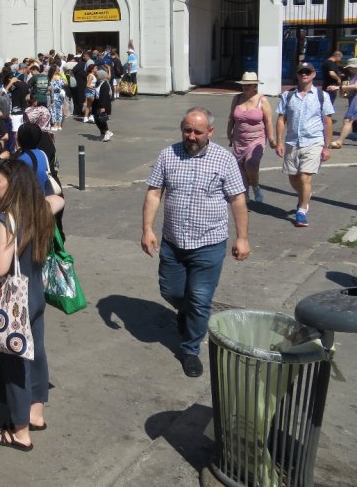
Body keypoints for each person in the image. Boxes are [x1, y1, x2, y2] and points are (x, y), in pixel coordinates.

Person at [141, 107, 250, 377]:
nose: (191, 136)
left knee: (200, 299)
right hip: (173, 241)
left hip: (209, 243)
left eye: (197, 132)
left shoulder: (224, 160)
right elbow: (154, 193)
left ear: (210, 132)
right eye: (187, 130)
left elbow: (237, 199)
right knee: (171, 292)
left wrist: (243, 238)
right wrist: (147, 229)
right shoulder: (169, 154)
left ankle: (190, 350)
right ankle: (188, 313)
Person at [0, 160, 57, 452]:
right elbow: (58, 197)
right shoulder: (39, 211)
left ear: (12, 183)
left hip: (14, 300)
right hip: (35, 294)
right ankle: (36, 414)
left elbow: (0, 267)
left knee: (13, 363)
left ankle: (20, 431)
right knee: (36, 354)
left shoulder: (8, 218)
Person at [275, 62, 335, 227]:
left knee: (304, 176)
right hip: (292, 142)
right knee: (293, 177)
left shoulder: (322, 96)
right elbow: (281, 119)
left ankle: (302, 210)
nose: (304, 74)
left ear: (313, 74)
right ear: (297, 74)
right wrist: (279, 141)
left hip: (313, 141)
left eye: (307, 72)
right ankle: (305, 196)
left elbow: (327, 121)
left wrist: (326, 146)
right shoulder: (288, 95)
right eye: (301, 72)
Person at [226, 72, 275, 203]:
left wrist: (271, 139)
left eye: (248, 85)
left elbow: (269, 121)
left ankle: (256, 186)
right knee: (240, 167)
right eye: (244, 84)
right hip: (239, 139)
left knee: (251, 165)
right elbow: (231, 118)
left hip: (256, 139)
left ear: (255, 85)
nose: (245, 87)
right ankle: (245, 193)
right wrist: (229, 133)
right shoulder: (237, 98)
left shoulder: (262, 100)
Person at [329, 57, 357, 149]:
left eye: (350, 67)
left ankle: (340, 141)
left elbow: (356, 86)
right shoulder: (353, 76)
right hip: (353, 99)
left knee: (348, 120)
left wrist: (338, 88)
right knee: (349, 120)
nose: (348, 69)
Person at [93, 68, 113, 141]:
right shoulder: (98, 83)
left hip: (102, 104)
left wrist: (103, 107)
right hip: (97, 103)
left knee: (101, 119)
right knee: (97, 119)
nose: (96, 76)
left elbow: (104, 96)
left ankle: (107, 132)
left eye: (97, 75)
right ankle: (102, 134)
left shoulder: (105, 84)